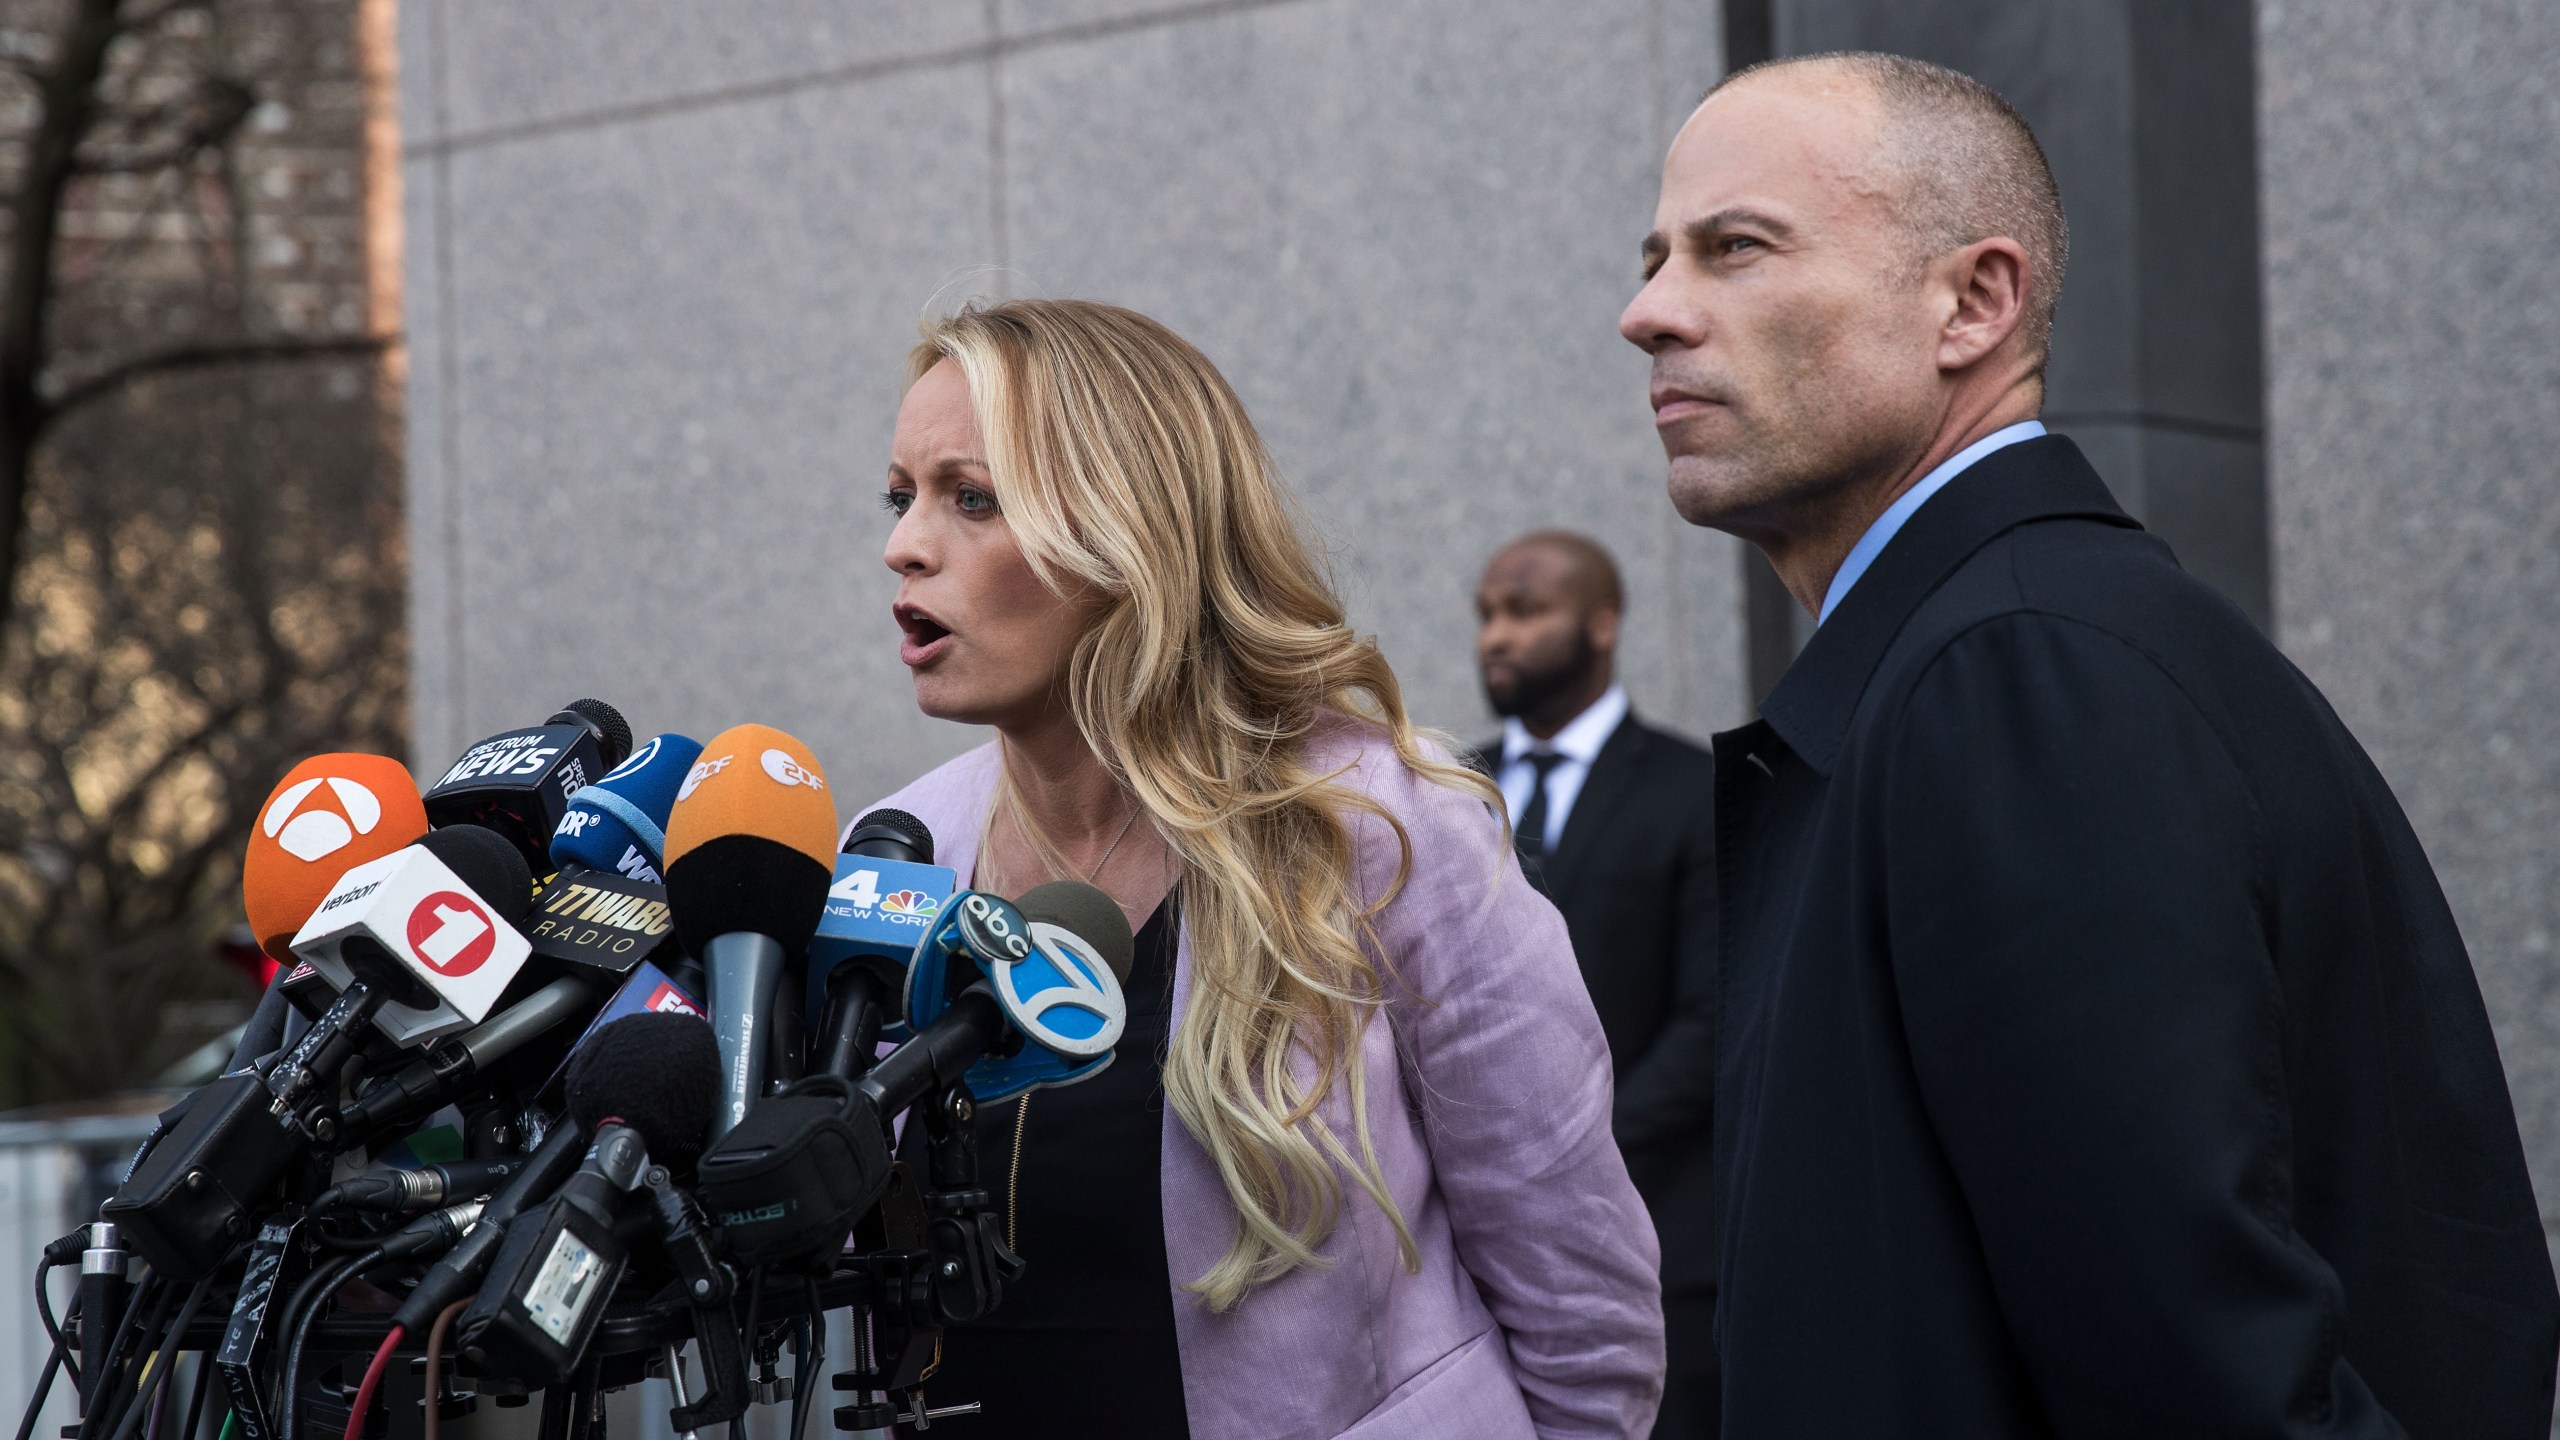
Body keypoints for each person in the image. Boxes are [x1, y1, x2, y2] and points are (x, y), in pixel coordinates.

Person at [1618, 50, 2560, 1437]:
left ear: (1974, 302)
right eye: (1654, 257)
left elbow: (2197, 1378)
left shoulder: (2018, 679)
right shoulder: (2007, 656)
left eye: (1735, 248)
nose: (1649, 313)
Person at [864, 298, 1663, 1440]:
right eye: (901, 497)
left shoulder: (1379, 824)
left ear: (1129, 530)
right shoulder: (897, 853)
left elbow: (1585, 1312)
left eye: (971, 497)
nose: (904, 542)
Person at [1466, 532, 1720, 1438]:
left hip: (1663, 1240)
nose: (1496, 636)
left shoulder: (1696, 790)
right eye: (1488, 613)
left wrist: (1566, 1151)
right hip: (1475, 1258)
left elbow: (1713, 1021)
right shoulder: (1448, 794)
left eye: (1525, 611)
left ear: (1602, 623)